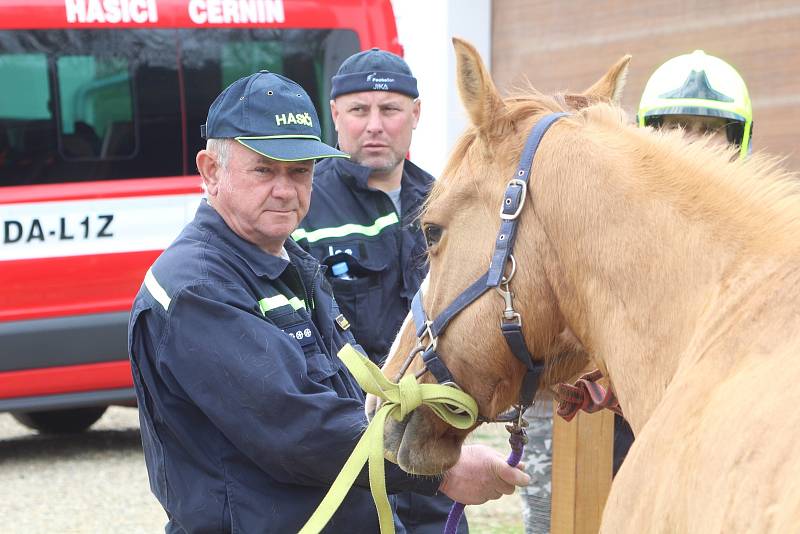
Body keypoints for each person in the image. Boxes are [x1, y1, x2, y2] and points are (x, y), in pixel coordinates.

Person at [127, 70, 530, 533]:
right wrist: (441, 470)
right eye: (263, 169)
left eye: (299, 171)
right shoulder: (198, 288)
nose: (284, 189)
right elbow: (296, 430)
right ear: (210, 170)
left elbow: (359, 392)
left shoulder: (286, 259)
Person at [519, 49, 754, 534]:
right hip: (632, 450)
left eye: (709, 130)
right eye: (676, 127)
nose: (692, 142)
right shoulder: (618, 240)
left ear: (738, 140)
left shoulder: (758, 239)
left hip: (735, 446)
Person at [293, 48, 465, 533]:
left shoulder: (445, 205)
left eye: (389, 109)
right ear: (335, 116)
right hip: (352, 452)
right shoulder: (303, 209)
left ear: (415, 114)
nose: (374, 125)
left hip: (432, 444)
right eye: (358, 110)